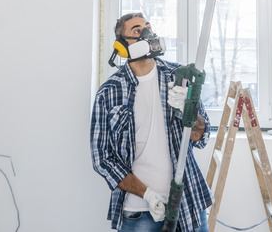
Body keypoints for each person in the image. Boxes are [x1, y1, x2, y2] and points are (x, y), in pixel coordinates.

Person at [91, 12, 213, 232]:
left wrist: (190, 109)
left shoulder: (179, 76)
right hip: (138, 212)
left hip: (187, 203)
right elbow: (102, 158)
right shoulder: (108, 93)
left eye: (149, 28)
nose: (148, 35)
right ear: (121, 47)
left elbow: (200, 138)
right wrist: (146, 194)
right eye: (137, 31)